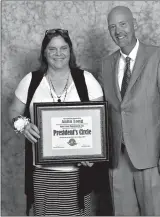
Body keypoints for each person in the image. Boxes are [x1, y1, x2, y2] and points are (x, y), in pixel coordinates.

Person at [8, 29, 105, 216]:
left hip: (77, 174)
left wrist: (94, 152)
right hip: (42, 173)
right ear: (44, 52)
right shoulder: (31, 81)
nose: (58, 53)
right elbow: (13, 111)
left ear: (70, 51)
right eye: (52, 49)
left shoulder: (87, 81)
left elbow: (101, 121)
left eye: (63, 48)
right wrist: (23, 125)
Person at [98, 6, 160, 216]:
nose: (118, 31)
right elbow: (103, 112)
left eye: (123, 24)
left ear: (135, 24)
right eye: (112, 27)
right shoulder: (106, 64)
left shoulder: (159, 56)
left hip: (152, 156)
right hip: (118, 158)